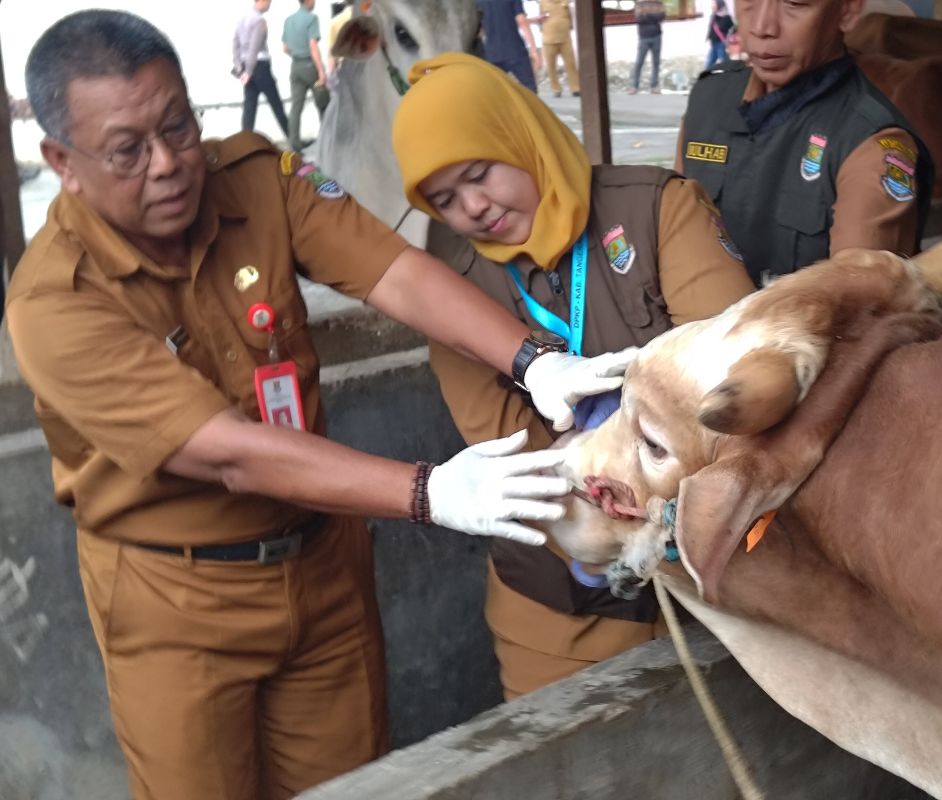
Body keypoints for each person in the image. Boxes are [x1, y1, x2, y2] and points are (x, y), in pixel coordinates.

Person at [8, 12, 634, 799]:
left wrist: (533, 360)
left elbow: (392, 272)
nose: (170, 164)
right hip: (179, 604)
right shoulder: (55, 301)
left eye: (180, 126)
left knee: (353, 785)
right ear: (61, 161)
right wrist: (431, 490)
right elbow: (229, 452)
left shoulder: (253, 178)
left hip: (323, 564)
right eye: (129, 150)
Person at [392, 53, 755, 698]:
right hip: (557, 618)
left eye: (480, 174)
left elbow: (729, 381)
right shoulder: (446, 280)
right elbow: (515, 453)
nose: (474, 208)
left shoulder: (653, 208)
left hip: (716, 592)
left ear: (522, 135)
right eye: (445, 199)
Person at [676, 0, 934, 286]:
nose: (762, 27)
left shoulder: (870, 145)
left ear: (847, 12)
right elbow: (671, 240)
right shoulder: (708, 100)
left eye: (795, 4)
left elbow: (853, 313)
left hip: (790, 330)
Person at [233, 0, 290, 139]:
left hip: (246, 65)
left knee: (249, 108)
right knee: (276, 104)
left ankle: (244, 143)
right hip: (259, 67)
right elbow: (255, 47)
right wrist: (249, 71)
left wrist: (239, 66)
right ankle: (293, 140)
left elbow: (235, 43)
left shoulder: (242, 19)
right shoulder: (259, 21)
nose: (270, 4)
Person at [282, 0, 330, 150]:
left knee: (296, 107)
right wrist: (321, 71)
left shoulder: (289, 20)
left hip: (295, 66)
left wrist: (297, 54)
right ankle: (327, 141)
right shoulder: (312, 19)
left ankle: (294, 144)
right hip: (310, 66)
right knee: (324, 105)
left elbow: (285, 48)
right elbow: (313, 46)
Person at [477, 0, 543, 93]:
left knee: (496, 92)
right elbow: (521, 21)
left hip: (492, 53)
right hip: (515, 50)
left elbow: (480, 30)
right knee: (530, 90)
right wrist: (534, 50)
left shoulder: (478, 1)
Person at [538, 0, 581, 98]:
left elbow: (570, 17)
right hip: (549, 39)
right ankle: (556, 88)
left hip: (565, 38)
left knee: (571, 64)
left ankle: (576, 88)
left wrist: (569, 27)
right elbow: (540, 19)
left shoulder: (565, 2)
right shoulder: (543, 3)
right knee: (551, 66)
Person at [629, 0, 666, 94]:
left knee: (656, 62)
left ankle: (654, 86)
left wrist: (647, 15)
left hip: (656, 36)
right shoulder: (640, 4)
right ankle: (634, 86)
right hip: (644, 37)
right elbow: (639, 18)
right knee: (639, 62)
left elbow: (661, 16)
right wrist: (653, 16)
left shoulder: (657, 3)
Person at [704, 0, 735, 70]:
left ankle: (730, 76)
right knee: (708, 64)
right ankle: (706, 78)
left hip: (721, 44)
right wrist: (709, 38)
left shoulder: (726, 17)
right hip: (713, 43)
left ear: (719, 5)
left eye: (714, 4)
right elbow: (711, 28)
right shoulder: (713, 16)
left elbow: (732, 29)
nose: (712, 6)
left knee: (725, 64)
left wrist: (729, 39)